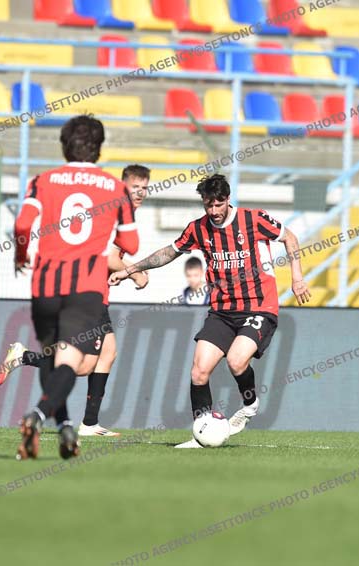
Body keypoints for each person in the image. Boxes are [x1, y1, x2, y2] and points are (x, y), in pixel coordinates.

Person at [110, 174, 312, 448]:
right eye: (209, 205)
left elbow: (290, 237)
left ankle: (250, 403)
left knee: (236, 361)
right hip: (222, 311)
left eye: (219, 204)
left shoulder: (253, 219)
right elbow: (168, 253)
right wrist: (130, 270)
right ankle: (201, 432)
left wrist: (297, 278)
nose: (214, 211)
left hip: (259, 305)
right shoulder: (198, 229)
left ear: (228, 200)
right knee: (199, 372)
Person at [12, 115, 138, 460]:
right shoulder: (115, 188)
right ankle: (38, 415)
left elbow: (22, 225)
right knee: (69, 362)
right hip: (85, 287)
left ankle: (66, 426)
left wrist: (20, 255)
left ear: (64, 146)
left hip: (45, 283)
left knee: (52, 357)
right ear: (99, 148)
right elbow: (131, 243)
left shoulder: (42, 180)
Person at [0, 164, 150, 438]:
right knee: (83, 366)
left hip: (92, 291)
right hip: (90, 294)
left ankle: (90, 423)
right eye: (134, 187)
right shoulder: (117, 210)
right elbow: (108, 256)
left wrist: (123, 272)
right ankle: (23, 357)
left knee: (108, 354)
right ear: (123, 185)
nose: (140, 192)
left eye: (144, 187)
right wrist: (135, 272)